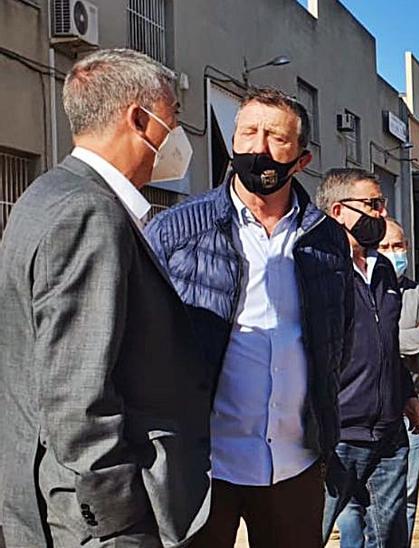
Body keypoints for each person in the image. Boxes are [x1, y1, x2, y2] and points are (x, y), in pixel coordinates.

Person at [0, 48, 211, 547]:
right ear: (141, 119)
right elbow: (77, 393)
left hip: (56, 498)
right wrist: (116, 517)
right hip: (94, 517)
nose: (177, 139)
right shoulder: (89, 213)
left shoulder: (46, 194)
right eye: (173, 121)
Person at [145, 87, 353, 547]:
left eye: (277, 137)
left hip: (295, 464)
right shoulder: (177, 230)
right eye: (248, 133)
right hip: (204, 466)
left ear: (302, 159)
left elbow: (339, 337)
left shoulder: (326, 239)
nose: (259, 148)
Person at [318, 170, 419, 547]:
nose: (381, 214)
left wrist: (407, 394)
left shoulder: (382, 270)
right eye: (372, 205)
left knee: (389, 537)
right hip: (336, 438)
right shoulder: (314, 269)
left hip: (388, 433)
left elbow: (384, 344)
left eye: (381, 204)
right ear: (337, 211)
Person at [335, 218, 419, 543]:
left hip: (405, 412)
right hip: (352, 420)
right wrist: (385, 338)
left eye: (398, 246)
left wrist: (379, 338)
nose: (392, 253)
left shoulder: (418, 292)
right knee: (349, 508)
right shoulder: (344, 286)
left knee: (401, 503)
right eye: (385, 247)